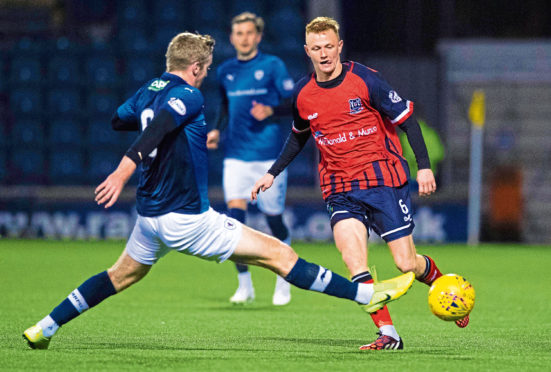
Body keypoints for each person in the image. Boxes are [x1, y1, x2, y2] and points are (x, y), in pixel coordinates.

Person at [22, 31, 415, 350]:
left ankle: (46, 326)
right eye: (205, 68)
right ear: (194, 67)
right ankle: (367, 296)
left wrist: (156, 125)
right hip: (188, 219)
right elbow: (158, 128)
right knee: (280, 254)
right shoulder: (188, 95)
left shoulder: (149, 89)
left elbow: (119, 119)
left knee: (119, 276)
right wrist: (123, 170)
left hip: (149, 217)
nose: (206, 74)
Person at [252, 17, 469, 351]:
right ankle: (389, 335)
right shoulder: (303, 94)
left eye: (329, 46)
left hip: (384, 182)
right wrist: (273, 172)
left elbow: (408, 122)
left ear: (339, 47)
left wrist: (423, 167)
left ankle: (439, 280)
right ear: (307, 51)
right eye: (316, 48)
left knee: (405, 264)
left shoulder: (366, 80)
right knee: (354, 261)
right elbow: (298, 136)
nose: (323, 54)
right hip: (339, 189)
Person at [206, 12, 296, 306]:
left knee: (274, 222)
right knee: (234, 222)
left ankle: (283, 281)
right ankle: (245, 285)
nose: (243, 38)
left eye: (249, 33)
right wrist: (217, 130)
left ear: (258, 36)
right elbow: (224, 104)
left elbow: (294, 101)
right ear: (232, 38)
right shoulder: (226, 70)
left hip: (269, 159)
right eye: (238, 33)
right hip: (235, 157)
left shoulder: (272, 65)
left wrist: (271, 110)